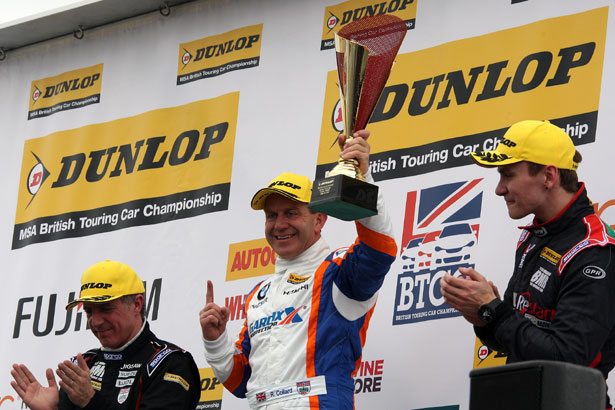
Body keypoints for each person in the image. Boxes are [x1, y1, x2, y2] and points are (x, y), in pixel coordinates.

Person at [199, 130, 397, 409]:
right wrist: (216, 342)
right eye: (271, 216)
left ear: (319, 220)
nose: (279, 224)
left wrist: (362, 178)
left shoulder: (337, 272)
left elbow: (380, 251)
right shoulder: (260, 294)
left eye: (291, 213)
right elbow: (242, 382)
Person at [440, 120, 615, 409]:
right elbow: (519, 340)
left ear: (548, 176)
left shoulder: (594, 251)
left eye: (507, 175)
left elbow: (566, 361)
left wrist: (495, 312)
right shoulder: (533, 237)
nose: (499, 189)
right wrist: (484, 317)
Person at [11, 260, 201, 410]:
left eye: (106, 308)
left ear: (137, 304)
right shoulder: (84, 365)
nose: (96, 321)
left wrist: (90, 401)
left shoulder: (169, 364)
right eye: (89, 311)